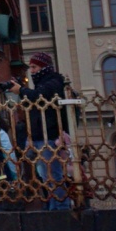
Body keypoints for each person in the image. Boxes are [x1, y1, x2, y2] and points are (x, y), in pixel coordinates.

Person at [17, 52, 71, 210]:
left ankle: (61, 208)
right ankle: (54, 207)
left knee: (53, 176)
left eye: (34, 67)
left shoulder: (53, 82)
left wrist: (20, 90)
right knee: (46, 178)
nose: (31, 70)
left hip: (50, 136)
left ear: (44, 67)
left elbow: (36, 97)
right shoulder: (42, 84)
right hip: (40, 137)